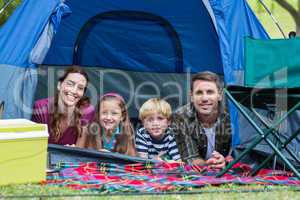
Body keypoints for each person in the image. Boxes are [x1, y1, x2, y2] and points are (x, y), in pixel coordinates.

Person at [171, 71, 232, 168]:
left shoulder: (230, 116)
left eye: (210, 92)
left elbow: (237, 152)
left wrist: (226, 161)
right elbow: (190, 158)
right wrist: (209, 164)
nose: (204, 98)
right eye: (199, 93)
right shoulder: (181, 117)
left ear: (219, 95)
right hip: (199, 171)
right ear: (191, 97)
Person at [31, 66, 95, 146]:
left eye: (80, 88)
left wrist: (71, 152)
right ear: (59, 85)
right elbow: (36, 147)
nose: (74, 91)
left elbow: (79, 151)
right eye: (70, 84)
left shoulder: (87, 111)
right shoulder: (40, 108)